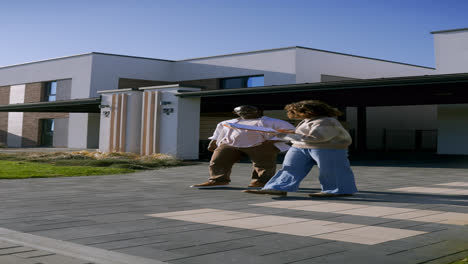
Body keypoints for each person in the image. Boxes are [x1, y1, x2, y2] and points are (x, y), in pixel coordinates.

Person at [243, 100, 358, 197]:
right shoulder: (308, 120)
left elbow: (317, 137)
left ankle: (337, 190)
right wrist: (289, 132)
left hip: (328, 148)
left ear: (308, 111)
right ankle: (277, 187)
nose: (291, 114)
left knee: (332, 169)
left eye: (294, 111)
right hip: (300, 146)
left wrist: (283, 135)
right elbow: (305, 134)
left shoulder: (327, 121)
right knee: (290, 168)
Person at [191, 105, 296, 188]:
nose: (246, 113)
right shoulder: (226, 122)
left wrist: (272, 141)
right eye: (243, 111)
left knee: (264, 164)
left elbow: (291, 132)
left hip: (260, 144)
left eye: (250, 111)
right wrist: (213, 143)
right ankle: (218, 180)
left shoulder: (273, 121)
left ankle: (260, 182)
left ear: (258, 111)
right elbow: (218, 134)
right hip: (230, 144)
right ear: (236, 113)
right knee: (218, 160)